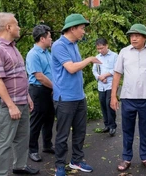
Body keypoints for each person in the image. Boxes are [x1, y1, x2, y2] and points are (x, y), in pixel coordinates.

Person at [0, 12, 39, 175]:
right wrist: (11, 106)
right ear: (8, 27)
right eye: (16, 24)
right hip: (8, 105)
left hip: (21, 101)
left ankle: (20, 166)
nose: (19, 27)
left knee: (22, 137)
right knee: (4, 142)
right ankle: (0, 173)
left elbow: (19, 75)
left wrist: (27, 97)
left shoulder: (13, 48)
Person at [51, 14, 101, 176]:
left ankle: (77, 161)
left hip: (79, 96)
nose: (83, 32)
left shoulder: (74, 44)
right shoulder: (59, 45)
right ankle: (60, 164)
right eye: (82, 28)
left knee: (80, 131)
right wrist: (90, 59)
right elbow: (71, 68)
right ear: (72, 28)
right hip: (64, 98)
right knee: (63, 134)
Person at [110, 24, 146, 172]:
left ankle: (145, 157)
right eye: (131, 35)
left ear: (145, 37)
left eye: (137, 35)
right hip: (128, 98)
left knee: (145, 130)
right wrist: (113, 95)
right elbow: (117, 74)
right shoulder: (124, 52)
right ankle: (126, 158)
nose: (133, 38)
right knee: (127, 130)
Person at [26, 24, 55, 162]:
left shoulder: (47, 53)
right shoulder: (33, 54)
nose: (51, 39)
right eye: (49, 37)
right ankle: (32, 150)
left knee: (49, 118)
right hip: (38, 90)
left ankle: (47, 145)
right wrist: (55, 87)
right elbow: (39, 76)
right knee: (36, 121)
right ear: (42, 38)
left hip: (49, 89)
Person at [92, 38, 118, 136]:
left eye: (102, 48)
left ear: (107, 46)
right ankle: (106, 124)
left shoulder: (115, 56)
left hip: (111, 84)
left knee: (109, 104)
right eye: (98, 49)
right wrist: (99, 77)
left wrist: (106, 75)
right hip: (101, 85)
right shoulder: (97, 57)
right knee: (103, 104)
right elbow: (94, 70)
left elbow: (117, 69)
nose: (100, 50)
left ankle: (112, 126)